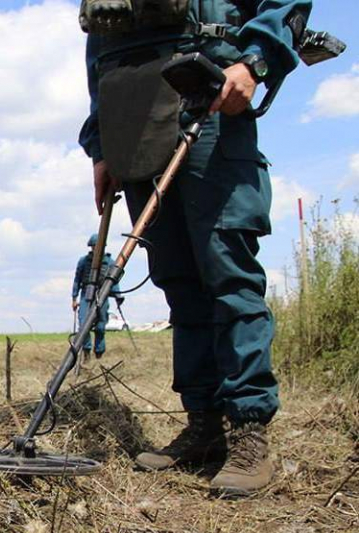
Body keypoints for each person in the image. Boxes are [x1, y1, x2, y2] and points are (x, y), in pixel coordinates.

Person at [78, 0, 312, 497]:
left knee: (227, 274)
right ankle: (203, 426)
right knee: (179, 283)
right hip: (135, 120)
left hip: (207, 99)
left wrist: (254, 60)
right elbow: (99, 47)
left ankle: (248, 431)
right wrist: (102, 145)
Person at [72, 233, 123, 361]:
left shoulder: (110, 262)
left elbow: (114, 282)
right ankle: (86, 352)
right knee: (84, 324)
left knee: (100, 326)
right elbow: (77, 280)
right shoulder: (83, 261)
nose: (96, 248)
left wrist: (118, 296)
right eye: (94, 246)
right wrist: (74, 298)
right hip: (86, 293)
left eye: (98, 246)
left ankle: (99, 353)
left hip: (103, 293)